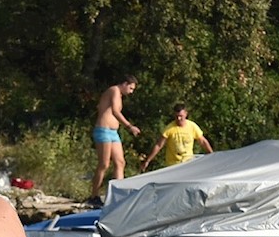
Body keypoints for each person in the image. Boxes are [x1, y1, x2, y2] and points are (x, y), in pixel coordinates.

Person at [90, 75, 140, 204]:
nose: (131, 92)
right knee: (104, 164)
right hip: (103, 131)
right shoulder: (114, 90)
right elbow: (115, 111)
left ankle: (119, 196)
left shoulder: (119, 95)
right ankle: (94, 195)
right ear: (124, 83)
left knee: (120, 162)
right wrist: (129, 126)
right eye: (130, 88)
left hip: (113, 132)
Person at [140, 103, 213, 171]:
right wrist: (147, 161)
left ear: (185, 114)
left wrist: (212, 154)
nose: (178, 119)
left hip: (188, 163)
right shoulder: (169, 129)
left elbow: (203, 141)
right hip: (173, 165)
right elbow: (159, 145)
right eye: (176, 116)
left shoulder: (192, 126)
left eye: (181, 116)